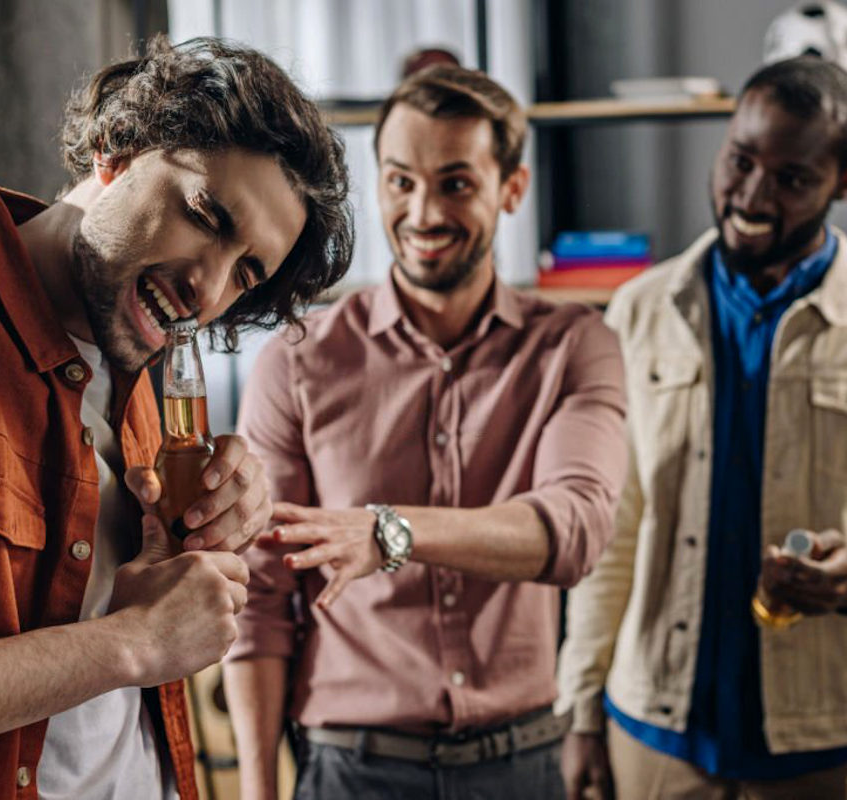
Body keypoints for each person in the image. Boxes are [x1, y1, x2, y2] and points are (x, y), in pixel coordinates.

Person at [0, 36, 352, 800]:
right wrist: (133, 643)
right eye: (208, 215)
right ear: (117, 149)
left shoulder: (144, 372)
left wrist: (210, 530)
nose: (209, 291)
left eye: (246, 273)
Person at [556, 57, 847, 799]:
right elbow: (610, 530)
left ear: (846, 180)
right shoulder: (638, 312)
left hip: (826, 740)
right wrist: (579, 710)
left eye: (792, 179)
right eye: (740, 160)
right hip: (653, 733)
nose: (750, 196)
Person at [223, 64, 628, 800]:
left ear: (512, 188)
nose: (423, 212)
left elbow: (577, 529)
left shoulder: (576, 345)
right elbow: (259, 598)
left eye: (455, 183)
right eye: (401, 181)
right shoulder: (299, 360)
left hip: (523, 763)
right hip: (351, 767)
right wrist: (257, 791)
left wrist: (389, 531)